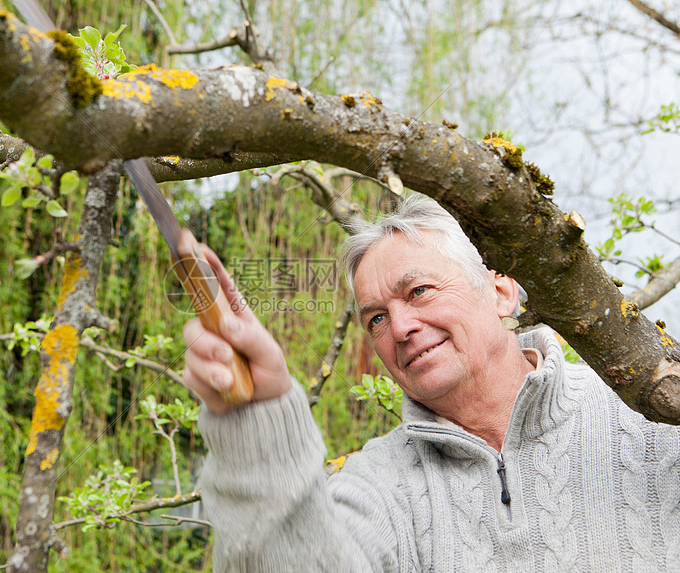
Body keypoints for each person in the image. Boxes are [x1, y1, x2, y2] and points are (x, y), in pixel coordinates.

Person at [182, 194, 680, 572]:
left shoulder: (649, 416)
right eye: (376, 318)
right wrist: (257, 421)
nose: (399, 328)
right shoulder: (376, 484)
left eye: (418, 291)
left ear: (501, 291)